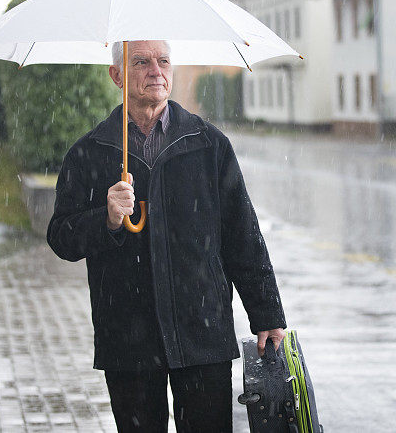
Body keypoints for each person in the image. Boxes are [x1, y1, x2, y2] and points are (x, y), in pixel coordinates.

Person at [47, 39, 286, 433]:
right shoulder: (89, 153)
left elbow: (243, 236)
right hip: (128, 339)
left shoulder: (208, 145)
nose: (155, 71)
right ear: (117, 75)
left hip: (202, 331)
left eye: (163, 61)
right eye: (140, 62)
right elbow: (60, 237)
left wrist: (267, 316)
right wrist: (105, 218)